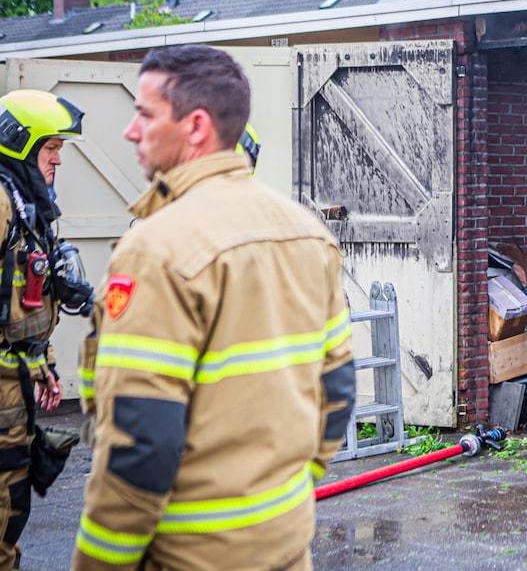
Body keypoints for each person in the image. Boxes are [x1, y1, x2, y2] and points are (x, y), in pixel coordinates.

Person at [73, 45, 355, 570]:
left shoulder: (155, 248)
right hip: (287, 548)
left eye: (144, 114)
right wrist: (285, 495)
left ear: (196, 126)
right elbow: (336, 394)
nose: (131, 132)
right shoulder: (308, 235)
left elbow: (142, 442)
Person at [0, 89, 88, 571]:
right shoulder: (0, 202)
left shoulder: (29, 208)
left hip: (16, 391)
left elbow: (20, 307)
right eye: (51, 148)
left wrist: (42, 363)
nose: (58, 159)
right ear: (20, 145)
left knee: (13, 509)